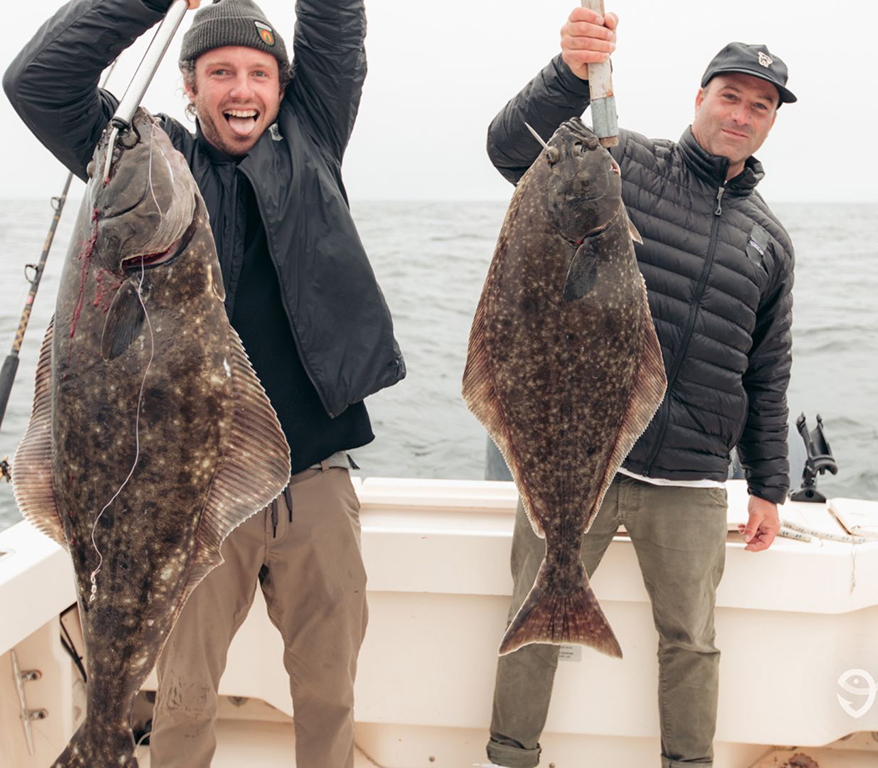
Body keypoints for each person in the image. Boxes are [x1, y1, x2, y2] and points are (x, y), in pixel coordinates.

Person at [5, 0, 404, 765]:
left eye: (259, 73)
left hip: (316, 473)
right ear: (189, 86)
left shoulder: (313, 139)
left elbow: (336, 23)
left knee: (330, 690)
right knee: (185, 696)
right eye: (220, 72)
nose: (242, 88)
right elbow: (39, 81)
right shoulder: (139, 161)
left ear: (284, 89)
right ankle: (107, 735)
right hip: (181, 498)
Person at [484, 8, 796, 768]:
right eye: (731, 96)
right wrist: (569, 69)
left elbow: (767, 370)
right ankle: (509, 756)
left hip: (690, 476)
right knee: (534, 618)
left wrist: (769, 483)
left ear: (770, 124)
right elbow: (511, 149)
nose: (742, 115)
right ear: (700, 97)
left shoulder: (771, 242)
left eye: (760, 106)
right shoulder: (625, 164)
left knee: (692, 640)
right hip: (574, 455)